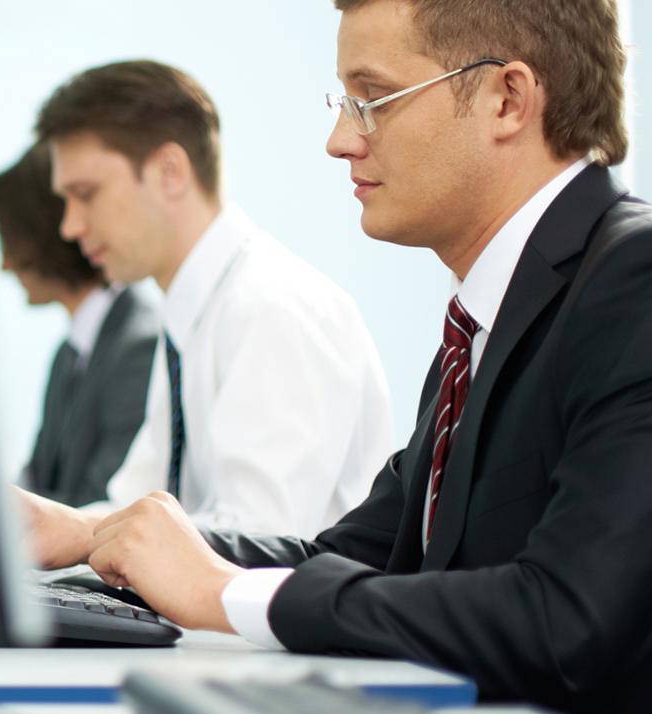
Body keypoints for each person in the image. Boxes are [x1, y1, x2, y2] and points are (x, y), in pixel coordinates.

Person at [45, 0, 652, 714]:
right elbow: (350, 557)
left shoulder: (633, 279)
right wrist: (105, 539)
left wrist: (225, 592)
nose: (340, 141)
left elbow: (567, 617)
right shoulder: (488, 321)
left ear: (507, 99)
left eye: (371, 101)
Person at [21, 59, 395, 544]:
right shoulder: (189, 321)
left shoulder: (272, 308)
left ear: (169, 172)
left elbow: (257, 547)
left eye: (85, 194)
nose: (70, 226)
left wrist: (78, 533)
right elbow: (133, 504)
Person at [0, 144, 158, 507]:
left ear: (43, 234)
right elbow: (37, 481)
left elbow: (103, 508)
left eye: (8, 238)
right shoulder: (69, 354)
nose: (4, 264)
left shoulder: (139, 346)